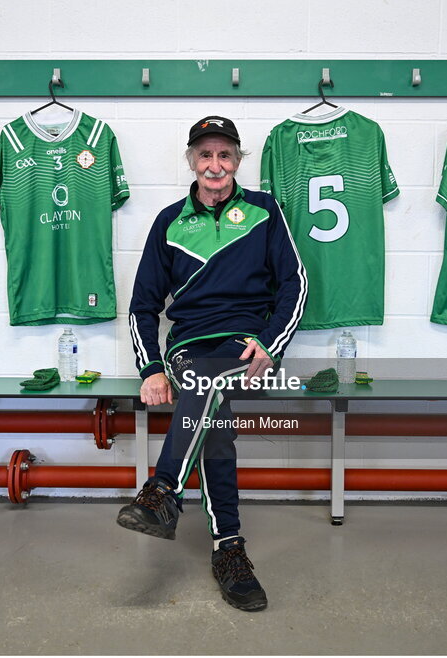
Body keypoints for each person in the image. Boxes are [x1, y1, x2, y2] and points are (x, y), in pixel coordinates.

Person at [119, 116, 307, 612]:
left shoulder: (266, 211)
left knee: (213, 417)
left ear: (238, 162)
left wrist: (270, 343)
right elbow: (142, 306)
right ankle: (229, 548)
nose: (215, 165)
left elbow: (295, 284)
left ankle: (163, 493)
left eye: (225, 155)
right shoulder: (168, 221)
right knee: (210, 404)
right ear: (192, 162)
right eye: (206, 155)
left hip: (245, 349)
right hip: (190, 349)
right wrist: (152, 369)